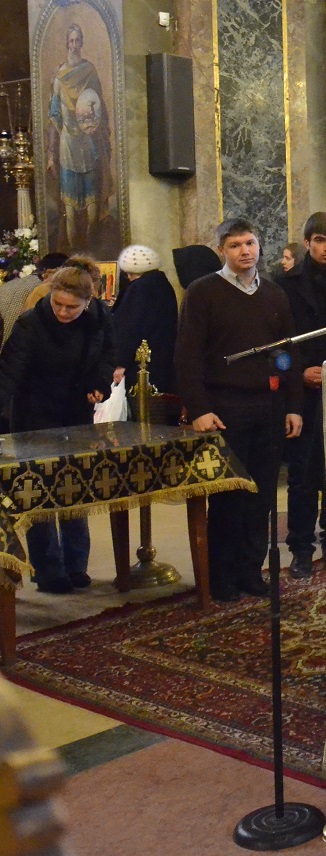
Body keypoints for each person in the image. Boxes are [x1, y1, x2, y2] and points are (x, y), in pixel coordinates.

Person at [174, 218, 304, 602]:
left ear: (260, 245)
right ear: (222, 251)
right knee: (228, 497)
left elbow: (289, 353)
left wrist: (293, 406)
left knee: (260, 497)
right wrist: (198, 408)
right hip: (224, 408)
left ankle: (251, 571)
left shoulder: (275, 294)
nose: (245, 251)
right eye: (235, 246)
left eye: (250, 243)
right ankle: (222, 579)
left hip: (268, 406)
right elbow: (187, 356)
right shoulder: (202, 293)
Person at [0, 258, 117, 593]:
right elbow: (9, 372)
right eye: (58, 304)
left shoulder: (100, 319)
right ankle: (49, 570)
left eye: (72, 307)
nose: (64, 313)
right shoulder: (30, 324)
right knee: (39, 492)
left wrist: (100, 383)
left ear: (88, 302)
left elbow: (108, 355)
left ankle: (76, 564)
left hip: (75, 412)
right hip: (34, 414)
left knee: (74, 487)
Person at [278, 212, 326, 578]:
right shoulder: (285, 285)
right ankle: (301, 548)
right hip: (301, 392)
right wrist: (298, 371)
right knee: (302, 473)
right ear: (306, 243)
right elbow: (279, 345)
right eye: (320, 240)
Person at [47, 24, 110, 250]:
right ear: (67, 43)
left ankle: (91, 253)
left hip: (88, 143)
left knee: (93, 208)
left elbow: (98, 106)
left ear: (82, 43)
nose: (74, 45)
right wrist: (50, 154)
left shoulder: (89, 71)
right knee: (71, 211)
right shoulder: (59, 78)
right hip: (67, 147)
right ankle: (75, 257)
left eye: (78, 40)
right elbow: (54, 116)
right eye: (71, 41)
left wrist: (97, 127)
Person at [110, 245, 177, 393]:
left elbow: (129, 328)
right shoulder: (163, 284)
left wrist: (120, 363)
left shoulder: (138, 288)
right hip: (162, 361)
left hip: (138, 364)